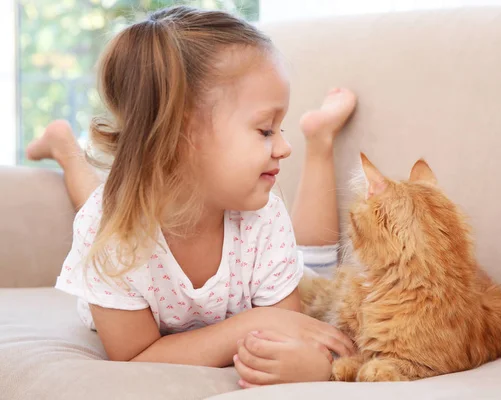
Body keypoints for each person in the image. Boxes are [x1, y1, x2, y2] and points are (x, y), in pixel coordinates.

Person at [26, 6, 358, 388]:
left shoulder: (261, 212)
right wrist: (252, 323)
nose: (283, 147)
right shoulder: (108, 235)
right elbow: (136, 355)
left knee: (316, 269)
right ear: (185, 132)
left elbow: (290, 331)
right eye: (266, 129)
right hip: (126, 220)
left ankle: (321, 142)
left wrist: (312, 365)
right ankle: (65, 147)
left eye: (280, 129)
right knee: (95, 204)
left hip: (174, 219)